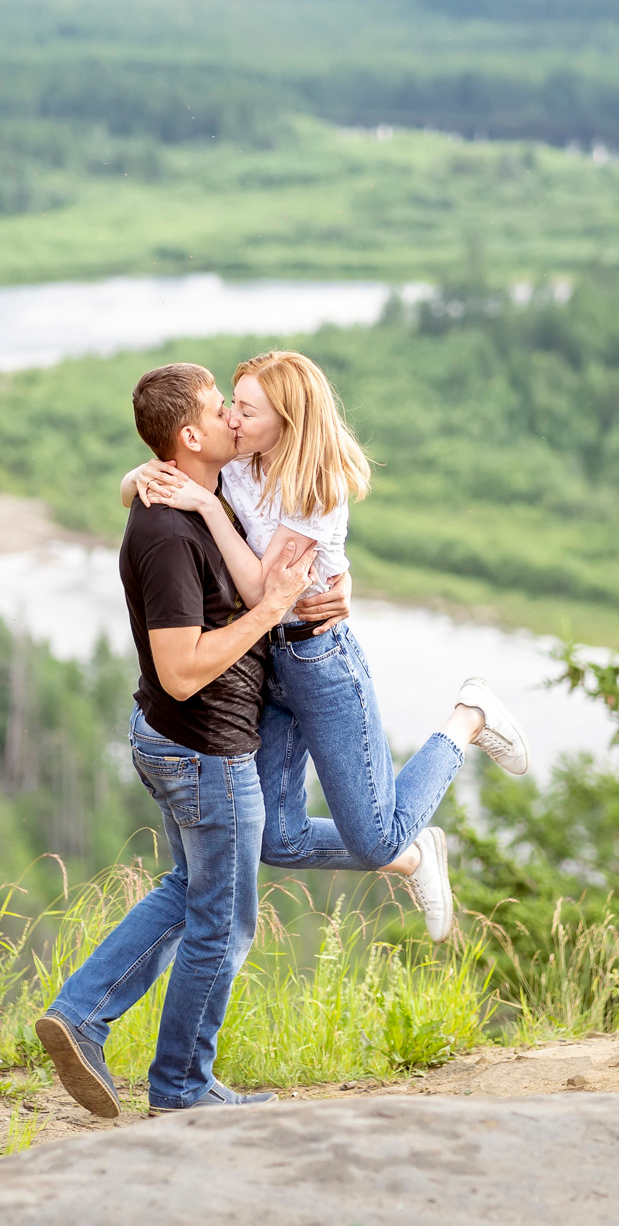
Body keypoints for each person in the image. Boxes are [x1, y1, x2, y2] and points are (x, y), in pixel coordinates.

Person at [120, 350, 529, 942]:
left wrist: (207, 506)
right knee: (273, 840)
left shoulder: (316, 486)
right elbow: (158, 473)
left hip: (317, 659)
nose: (232, 418)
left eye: (246, 409)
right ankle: (418, 854)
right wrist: (136, 478)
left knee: (376, 838)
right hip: (264, 663)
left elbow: (268, 590)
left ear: (286, 419)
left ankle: (469, 718)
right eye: (230, 404)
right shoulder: (240, 461)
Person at [36, 362, 320, 1118]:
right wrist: (271, 613)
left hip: (184, 744)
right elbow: (182, 670)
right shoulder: (165, 533)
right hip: (204, 749)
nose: (235, 415)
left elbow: (162, 483)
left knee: (190, 892)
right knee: (222, 923)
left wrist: (142, 474)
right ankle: (183, 1088)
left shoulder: (198, 490)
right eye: (219, 409)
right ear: (190, 436)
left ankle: (82, 1014)